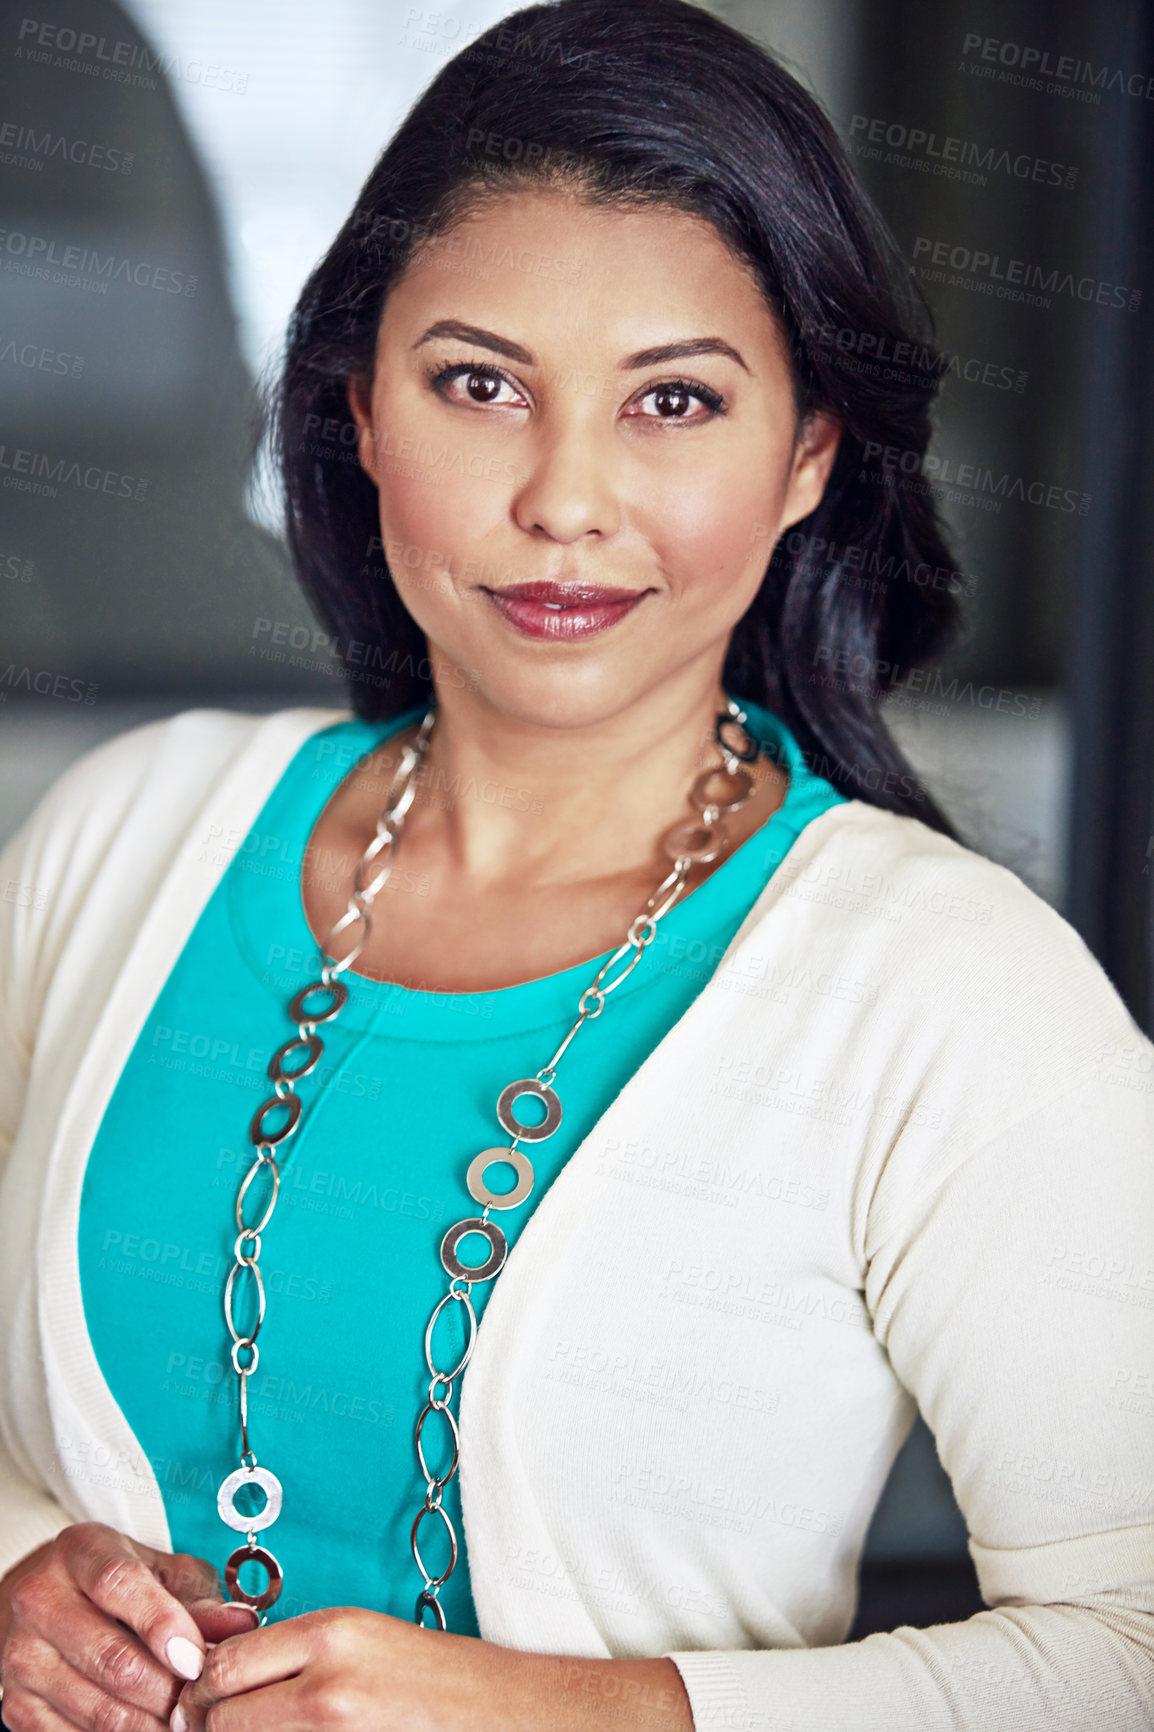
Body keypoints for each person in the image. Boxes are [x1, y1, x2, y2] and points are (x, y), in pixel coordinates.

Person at [0, 1, 1151, 1728]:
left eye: (674, 400)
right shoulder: (125, 832)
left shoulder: (950, 995)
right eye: (480, 384)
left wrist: (586, 1712)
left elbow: (1125, 1650)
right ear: (360, 411)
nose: (566, 498)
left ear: (807, 456)